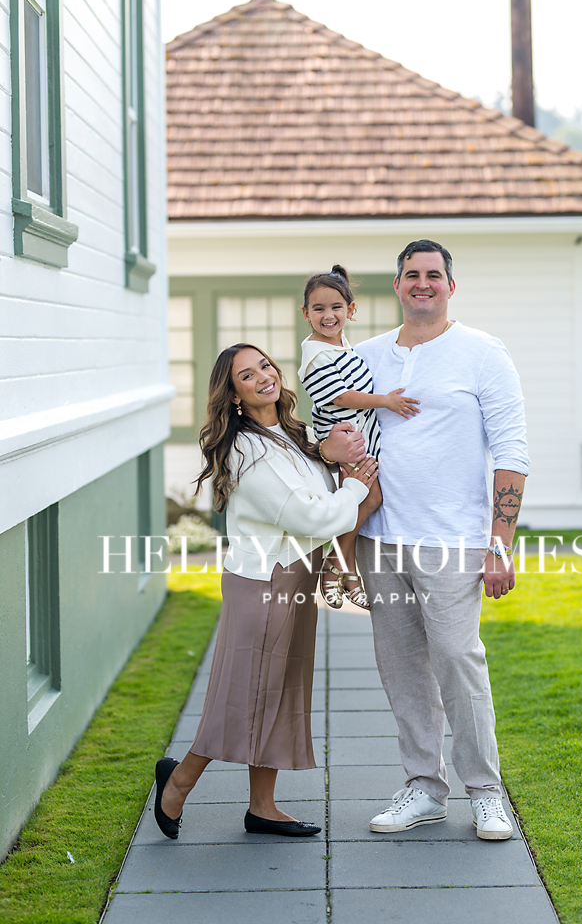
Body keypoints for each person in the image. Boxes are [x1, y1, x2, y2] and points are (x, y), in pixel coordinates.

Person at [154, 343, 377, 839]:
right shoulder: (246, 448)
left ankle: (263, 807)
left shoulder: (290, 434)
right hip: (263, 581)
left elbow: (312, 492)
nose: (263, 377)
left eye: (266, 367)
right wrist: (356, 486)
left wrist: (328, 457)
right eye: (247, 375)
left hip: (294, 575)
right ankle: (179, 782)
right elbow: (308, 514)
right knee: (242, 695)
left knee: (278, 693)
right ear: (233, 394)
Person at [355, 240, 529, 841]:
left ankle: (486, 791)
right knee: (401, 666)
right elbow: (335, 428)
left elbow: (511, 453)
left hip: (453, 541)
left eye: (433, 274)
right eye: (411, 274)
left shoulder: (482, 352)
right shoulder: (365, 356)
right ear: (397, 286)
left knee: (457, 661)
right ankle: (424, 788)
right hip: (378, 539)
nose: (422, 283)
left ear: (450, 286)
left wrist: (499, 544)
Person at [298, 265, 420, 609]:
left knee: (366, 500)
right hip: (347, 442)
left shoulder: (341, 348)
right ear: (305, 314)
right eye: (318, 309)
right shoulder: (316, 356)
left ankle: (346, 570)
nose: (328, 315)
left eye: (336, 307)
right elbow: (340, 397)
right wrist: (386, 401)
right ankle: (336, 565)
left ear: (350, 310)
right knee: (367, 500)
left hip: (360, 438)